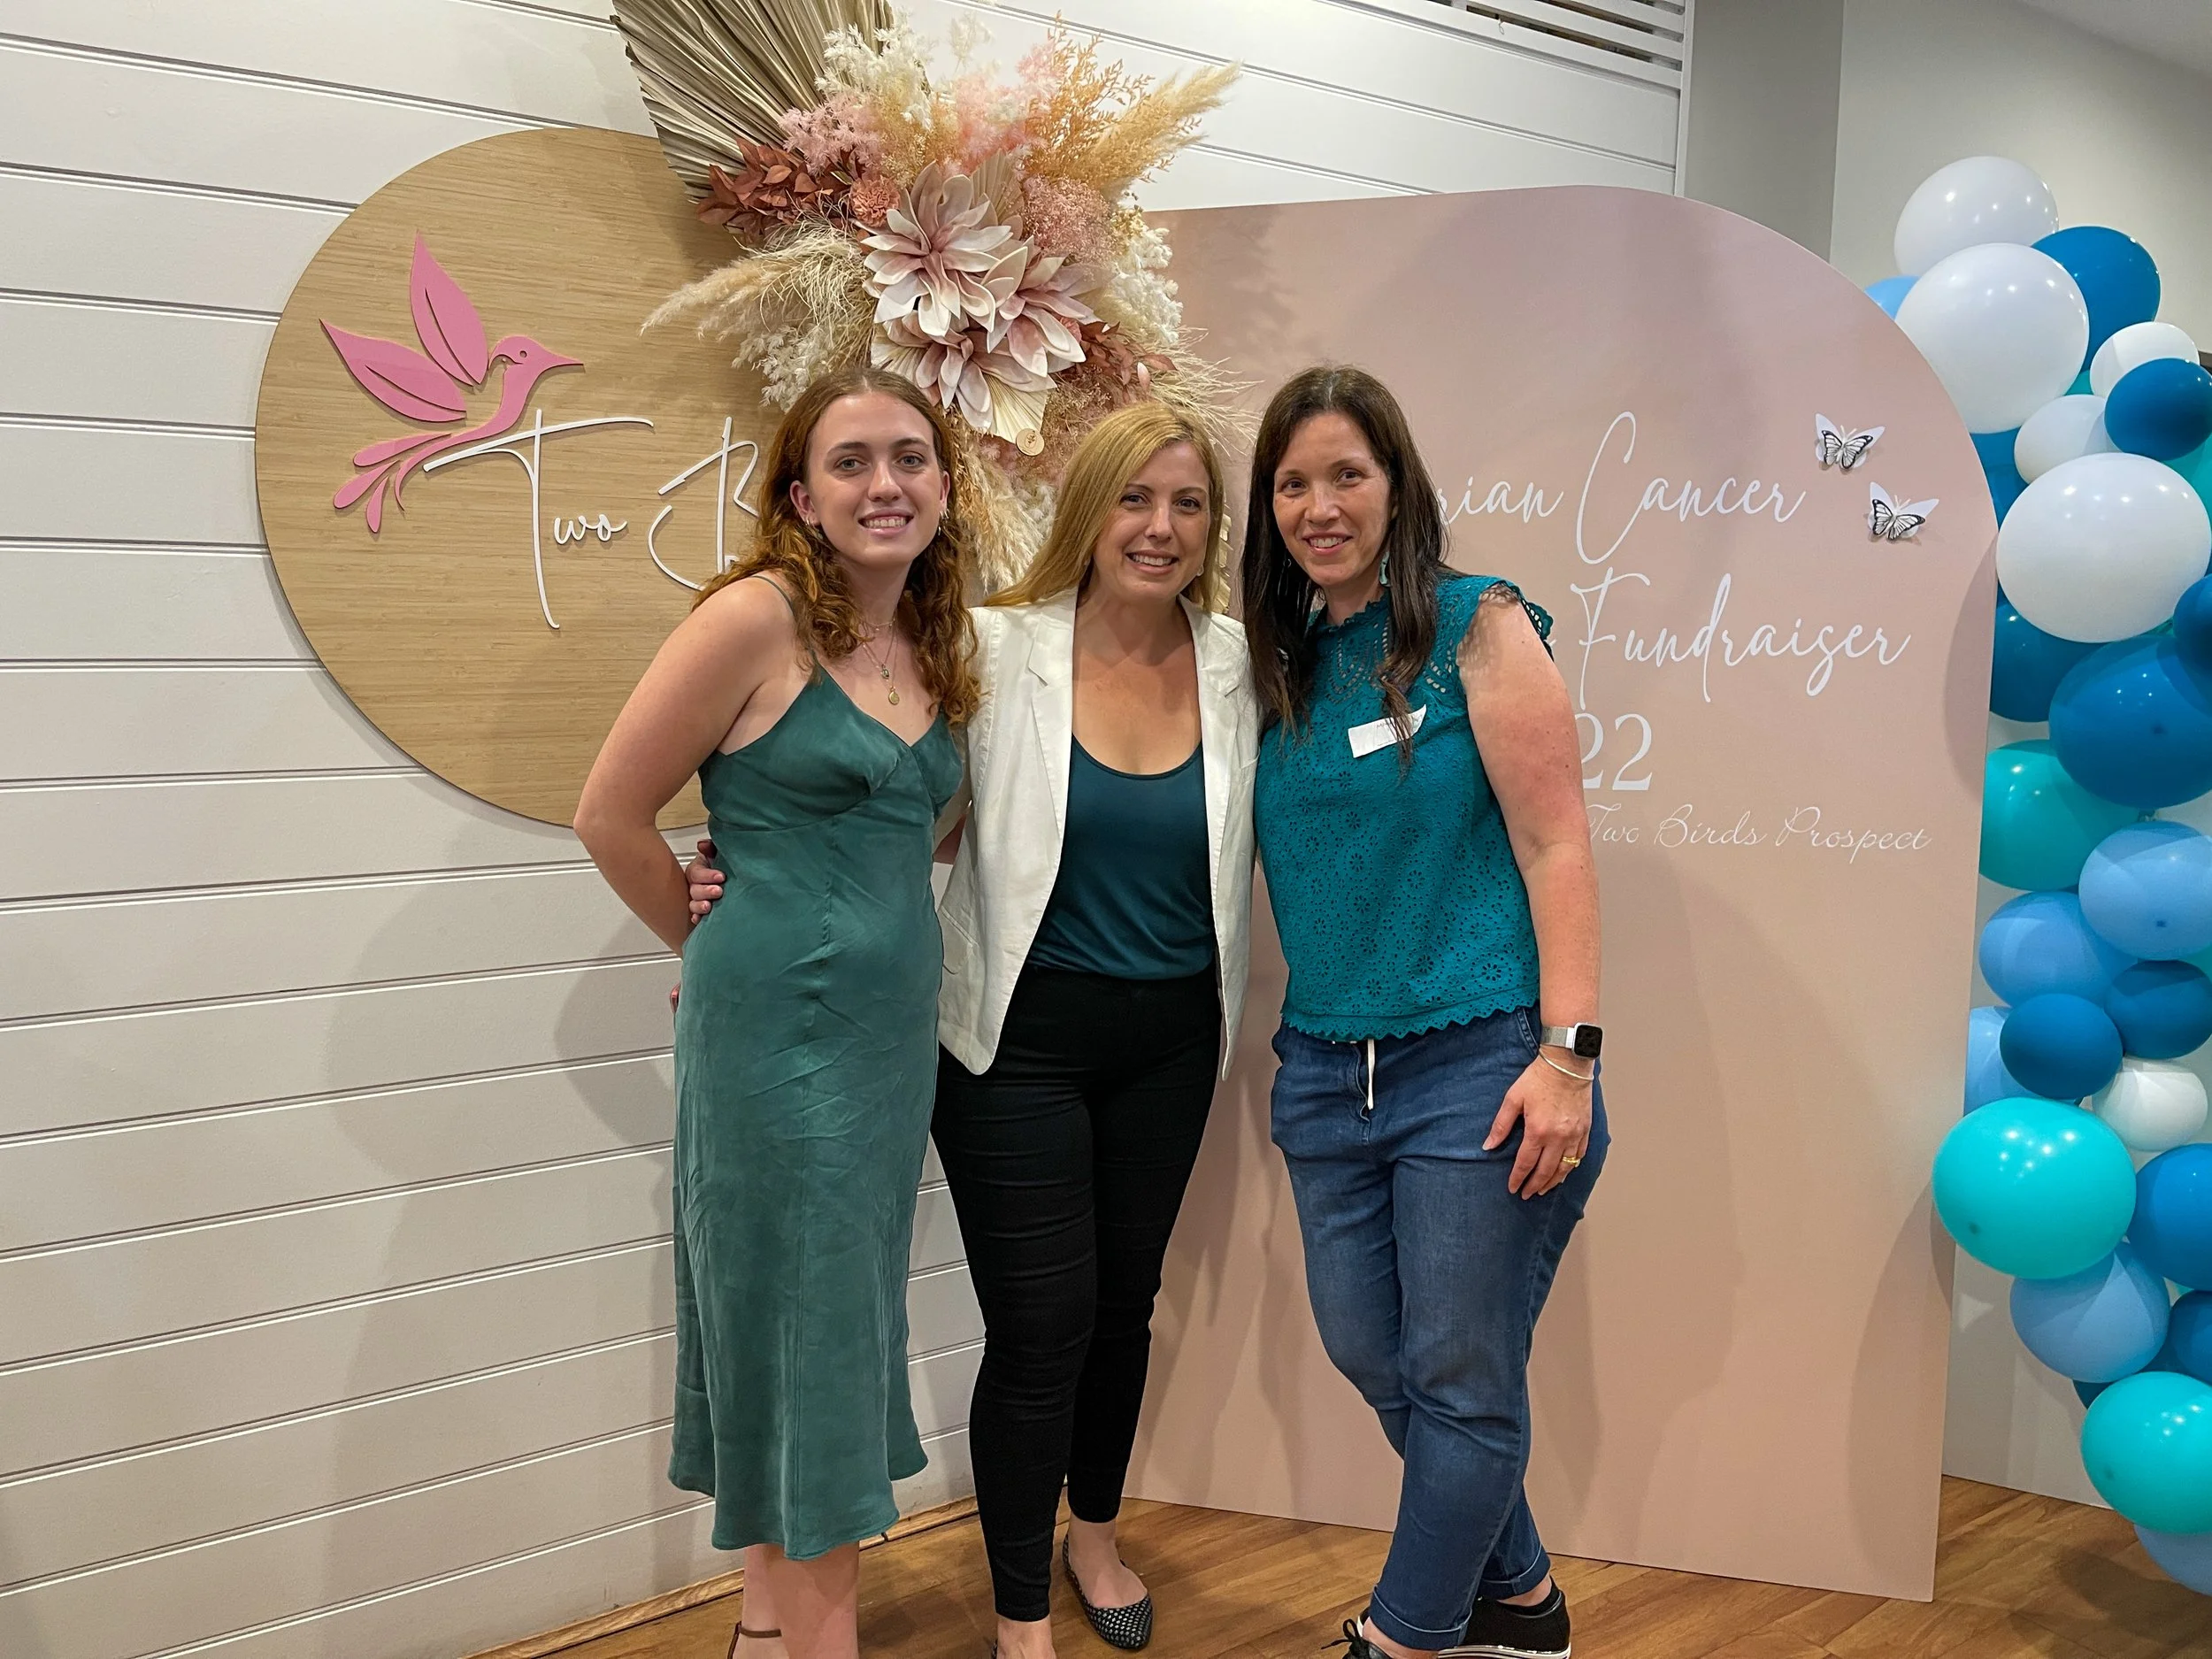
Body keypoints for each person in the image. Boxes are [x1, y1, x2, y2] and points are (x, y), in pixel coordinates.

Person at [688, 401, 1256, 1657]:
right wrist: (739, 886)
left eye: (1189, 503)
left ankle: (1093, 1536)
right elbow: (899, 798)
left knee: (1125, 1308)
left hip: (1172, 1038)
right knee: (1042, 1324)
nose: (1159, 528)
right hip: (1015, 1043)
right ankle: (1017, 1615)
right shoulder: (992, 648)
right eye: (1132, 498)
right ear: (1086, 510)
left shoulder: (1235, 660)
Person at [576, 363, 978, 1659]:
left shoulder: (939, 636)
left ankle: (764, 1626)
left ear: (945, 485)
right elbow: (609, 814)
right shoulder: (753, 621)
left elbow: (928, 827)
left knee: (813, 1316)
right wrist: (710, 926)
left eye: (910, 458)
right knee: (810, 1339)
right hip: (775, 1040)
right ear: (800, 496)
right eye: (853, 462)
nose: (885, 484)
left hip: (880, 1048)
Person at [1241, 365, 1605, 1659]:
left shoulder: (1476, 623)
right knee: (1372, 1353)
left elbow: (1557, 845)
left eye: (1347, 473)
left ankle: (1405, 1634)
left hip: (1482, 1062)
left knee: (1459, 1378)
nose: (1319, 504)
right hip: (1327, 1074)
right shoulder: (1274, 663)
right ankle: (1525, 1595)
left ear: (1398, 484)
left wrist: (1570, 1058)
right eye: (1292, 481)